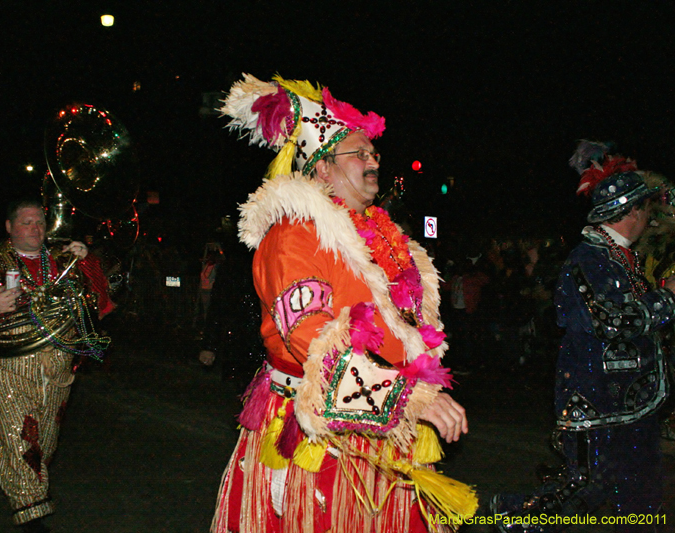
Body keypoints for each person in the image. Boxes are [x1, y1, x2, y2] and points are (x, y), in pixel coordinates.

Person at [210, 74, 475, 533]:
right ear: (322, 168)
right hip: (322, 439)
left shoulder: (386, 238)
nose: (373, 161)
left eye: (374, 153)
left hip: (389, 427)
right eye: (360, 153)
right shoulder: (293, 234)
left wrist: (416, 386)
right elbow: (311, 339)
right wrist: (409, 396)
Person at [491, 141, 675, 532]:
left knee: (637, 497)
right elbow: (613, 321)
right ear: (633, 212)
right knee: (586, 491)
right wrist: (668, 298)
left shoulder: (617, 257)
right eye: (647, 210)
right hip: (600, 405)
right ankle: (509, 517)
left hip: (627, 404)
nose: (651, 219)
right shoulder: (589, 259)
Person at [0, 198, 115, 533]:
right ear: (9, 227)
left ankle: (25, 491)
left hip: (58, 368)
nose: (35, 229)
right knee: (21, 436)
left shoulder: (62, 260)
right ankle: (32, 514)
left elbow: (99, 301)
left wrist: (88, 261)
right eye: (26, 222)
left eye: (40, 222)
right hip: (5, 366)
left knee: (43, 442)